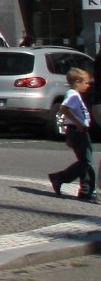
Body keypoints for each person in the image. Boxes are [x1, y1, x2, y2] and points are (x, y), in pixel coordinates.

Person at [49, 68, 94, 202]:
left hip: (77, 130)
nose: (88, 85)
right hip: (77, 130)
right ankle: (60, 177)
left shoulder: (75, 95)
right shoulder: (73, 95)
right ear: (78, 82)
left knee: (85, 161)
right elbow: (63, 108)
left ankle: (85, 190)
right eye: (86, 82)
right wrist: (77, 124)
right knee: (86, 162)